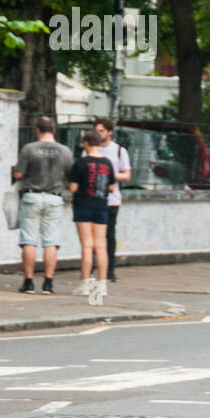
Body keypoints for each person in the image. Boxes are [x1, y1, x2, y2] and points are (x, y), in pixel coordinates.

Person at [13, 116, 73, 294]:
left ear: (37, 130)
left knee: (29, 240)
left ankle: (29, 282)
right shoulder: (65, 151)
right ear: (53, 130)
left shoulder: (29, 149)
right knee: (51, 241)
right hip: (54, 197)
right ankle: (48, 283)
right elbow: (70, 175)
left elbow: (18, 174)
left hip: (32, 196)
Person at [68, 130, 114, 306]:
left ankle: (85, 284)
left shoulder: (81, 163)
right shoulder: (107, 163)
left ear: (86, 143)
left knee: (87, 245)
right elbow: (111, 187)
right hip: (101, 206)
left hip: (83, 206)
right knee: (101, 246)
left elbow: (73, 188)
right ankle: (101, 286)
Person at [94, 118, 131, 281]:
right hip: (93, 198)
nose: (98, 134)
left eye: (101, 131)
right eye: (96, 130)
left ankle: (109, 271)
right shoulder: (90, 149)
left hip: (111, 199)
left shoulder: (119, 151)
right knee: (93, 237)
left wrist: (108, 175)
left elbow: (127, 175)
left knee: (109, 236)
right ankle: (93, 269)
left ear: (109, 132)